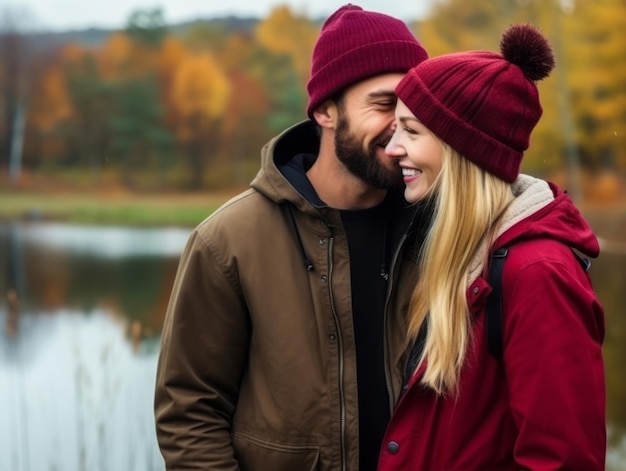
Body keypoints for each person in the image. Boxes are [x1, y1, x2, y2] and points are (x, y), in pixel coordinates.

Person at [154, 4, 429, 470]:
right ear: (325, 110)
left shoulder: (440, 228)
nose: (399, 128)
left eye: (411, 110)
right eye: (383, 104)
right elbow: (189, 413)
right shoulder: (228, 242)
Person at [378, 24, 606, 470]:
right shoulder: (462, 252)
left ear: (462, 148)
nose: (393, 148)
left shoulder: (538, 273)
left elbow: (563, 460)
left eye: (411, 131)